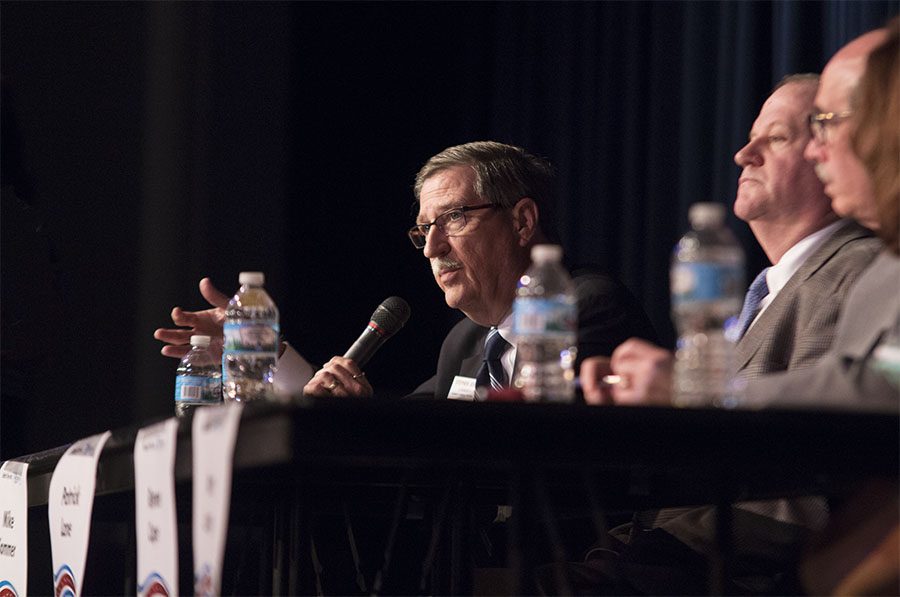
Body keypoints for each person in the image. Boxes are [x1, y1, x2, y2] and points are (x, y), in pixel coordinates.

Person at [568, 24, 897, 596]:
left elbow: (880, 388)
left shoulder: (864, 266)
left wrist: (696, 387)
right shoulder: (887, 267)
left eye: (829, 125)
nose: (820, 150)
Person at [155, 141, 658, 400]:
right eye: (423, 230)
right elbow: (400, 427)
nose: (431, 247)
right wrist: (266, 352)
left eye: (454, 219)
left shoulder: (584, 304)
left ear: (523, 221)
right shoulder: (466, 341)